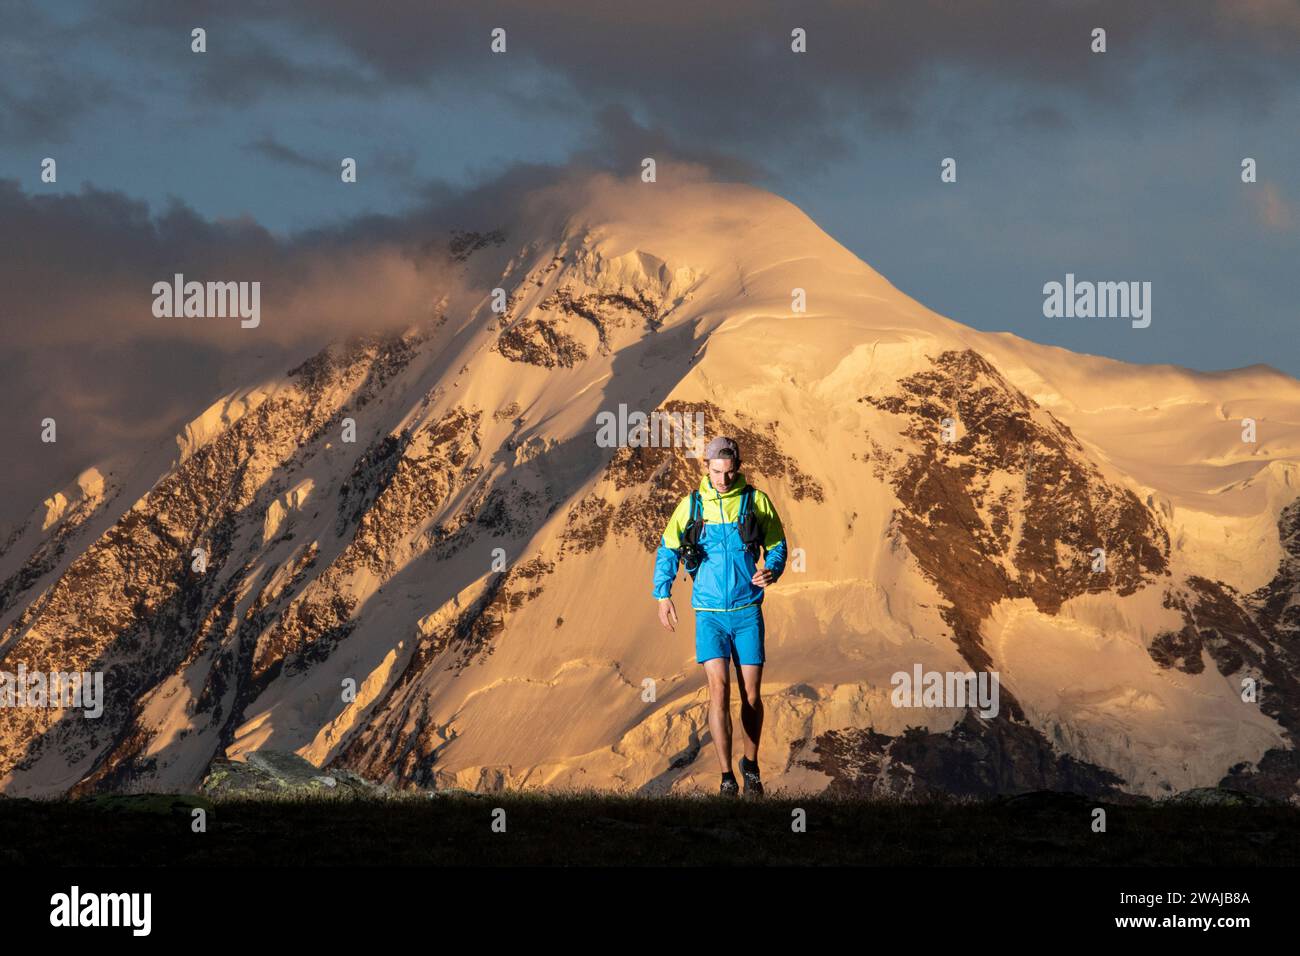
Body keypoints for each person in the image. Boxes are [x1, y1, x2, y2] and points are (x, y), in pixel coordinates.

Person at [652, 436, 788, 797]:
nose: (722, 480)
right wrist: (662, 594)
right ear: (706, 467)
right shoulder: (692, 505)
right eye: (716, 472)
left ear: (737, 469)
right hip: (708, 614)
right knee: (717, 690)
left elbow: (776, 542)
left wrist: (772, 568)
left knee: (752, 695)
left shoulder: (755, 500)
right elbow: (667, 547)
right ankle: (727, 776)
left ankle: (752, 765)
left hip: (746, 610)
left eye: (729, 473)